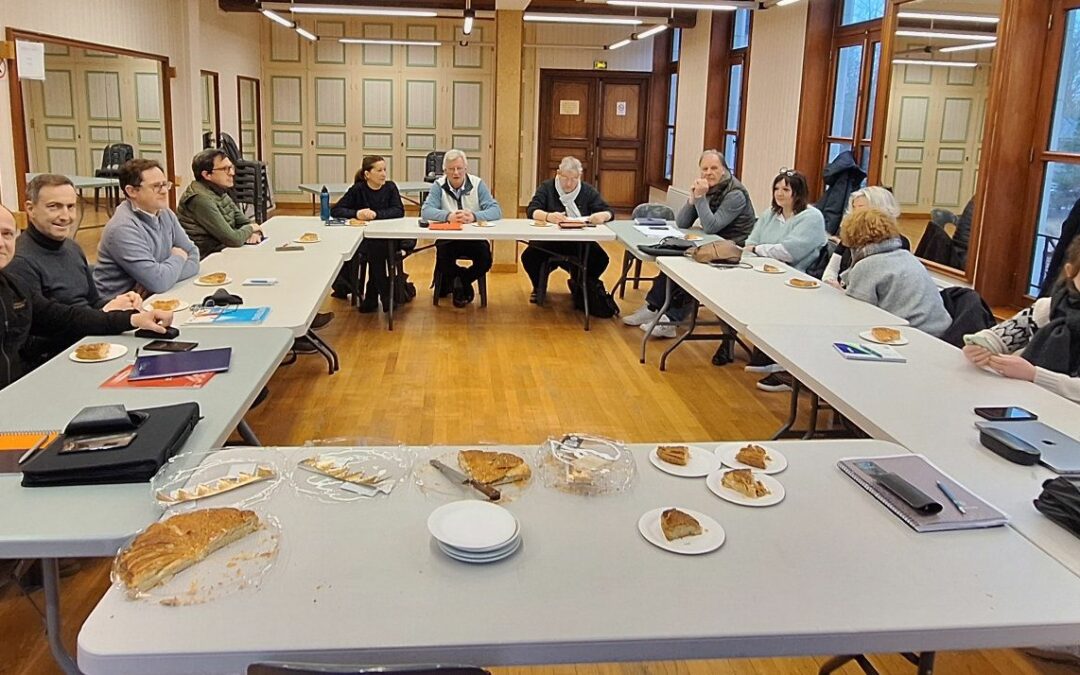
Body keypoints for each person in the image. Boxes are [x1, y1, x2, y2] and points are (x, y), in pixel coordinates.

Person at [0, 204, 172, 390]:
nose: (1, 243)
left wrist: (134, 319)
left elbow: (65, 318)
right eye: (54, 206)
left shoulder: (15, 286)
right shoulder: (22, 265)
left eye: (7, 234)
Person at [5, 174, 142, 364]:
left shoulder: (71, 247)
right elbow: (44, 325)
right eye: (54, 207)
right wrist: (107, 316)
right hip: (59, 356)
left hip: (92, 337)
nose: (65, 216)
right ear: (30, 209)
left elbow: (93, 301)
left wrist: (118, 303)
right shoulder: (19, 261)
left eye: (70, 207)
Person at [623, 150, 755, 338]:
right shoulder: (709, 188)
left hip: (733, 250)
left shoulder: (735, 194)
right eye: (704, 169)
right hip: (712, 244)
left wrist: (701, 198)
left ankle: (671, 320)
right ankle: (653, 307)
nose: (708, 173)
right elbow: (682, 222)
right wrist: (693, 198)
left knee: (689, 271)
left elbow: (711, 227)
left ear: (725, 170)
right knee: (671, 262)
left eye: (714, 168)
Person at [963, 237, 1080, 403]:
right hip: (1023, 402)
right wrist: (980, 345)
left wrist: (1034, 375)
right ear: (1070, 271)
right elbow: (1001, 335)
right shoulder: (1048, 308)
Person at [744, 169, 828, 392]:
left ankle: (785, 367)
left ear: (798, 193)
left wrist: (759, 249)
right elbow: (749, 242)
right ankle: (763, 354)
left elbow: (789, 252)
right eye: (776, 188)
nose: (779, 193)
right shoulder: (771, 214)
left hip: (797, 279)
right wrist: (759, 250)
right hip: (762, 272)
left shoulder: (811, 217)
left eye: (786, 189)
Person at [94, 159, 200, 298]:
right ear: (131, 191)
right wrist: (178, 257)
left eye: (165, 185)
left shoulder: (165, 213)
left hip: (154, 296)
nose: (164, 191)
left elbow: (194, 256)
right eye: (156, 186)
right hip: (121, 309)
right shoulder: (122, 228)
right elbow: (159, 282)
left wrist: (163, 276)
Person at [838, 208, 951, 337]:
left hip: (909, 334)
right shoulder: (906, 256)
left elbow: (857, 314)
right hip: (941, 331)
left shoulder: (866, 266)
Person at [523, 156, 614, 305]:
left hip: (579, 242)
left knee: (601, 259)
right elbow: (531, 210)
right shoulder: (547, 187)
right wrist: (548, 216)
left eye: (574, 179)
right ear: (558, 173)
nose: (569, 183)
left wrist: (601, 216)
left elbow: (608, 211)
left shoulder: (587, 191)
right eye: (565, 178)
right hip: (549, 241)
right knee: (529, 257)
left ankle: (580, 284)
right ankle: (538, 287)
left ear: (580, 177)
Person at [421, 149, 502, 308]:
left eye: (459, 168)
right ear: (445, 171)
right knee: (443, 260)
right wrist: (447, 216)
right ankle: (463, 285)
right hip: (449, 238)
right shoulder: (438, 185)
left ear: (466, 168)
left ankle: (461, 281)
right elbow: (426, 211)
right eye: (451, 169)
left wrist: (474, 216)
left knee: (485, 260)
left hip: (474, 238)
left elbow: (496, 211)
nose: (456, 173)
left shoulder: (477, 184)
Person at [330, 156, 405, 313]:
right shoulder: (358, 189)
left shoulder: (390, 188)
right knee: (374, 249)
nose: (384, 174)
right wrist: (357, 213)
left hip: (389, 239)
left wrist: (376, 214)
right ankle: (384, 296)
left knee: (377, 248)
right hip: (365, 240)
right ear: (367, 174)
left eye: (385, 170)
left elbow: (398, 210)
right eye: (379, 170)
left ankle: (374, 297)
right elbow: (336, 210)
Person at [177, 149, 262, 258]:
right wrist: (252, 229)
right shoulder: (200, 199)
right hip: (206, 258)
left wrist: (255, 233)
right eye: (225, 169)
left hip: (224, 251)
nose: (232, 173)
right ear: (207, 174)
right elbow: (233, 239)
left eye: (231, 167)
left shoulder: (219, 191)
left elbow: (244, 222)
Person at [822, 186, 908, 285]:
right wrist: (830, 282)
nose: (855, 213)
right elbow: (831, 269)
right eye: (854, 207)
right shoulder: (850, 236)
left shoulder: (898, 243)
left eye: (861, 207)